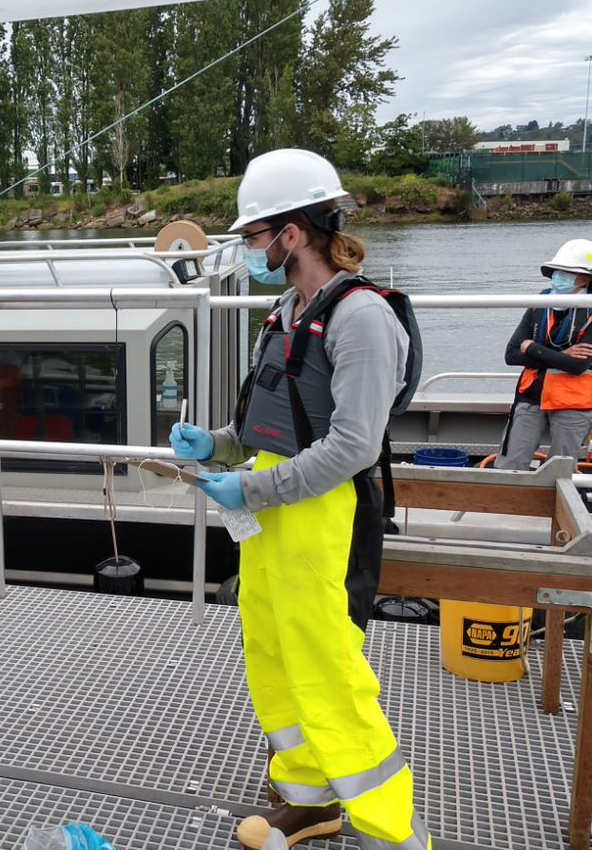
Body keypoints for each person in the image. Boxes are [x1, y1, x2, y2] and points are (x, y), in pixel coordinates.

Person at [170, 149, 428, 849]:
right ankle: (308, 799)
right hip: (275, 515)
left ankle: (392, 831)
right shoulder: (285, 310)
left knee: (330, 671)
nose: (248, 249)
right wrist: (215, 446)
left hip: (328, 516)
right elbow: (271, 423)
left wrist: (250, 484)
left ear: (292, 233)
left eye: (254, 235)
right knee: (274, 652)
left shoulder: (361, 317)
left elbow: (351, 446)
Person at [494, 239, 592, 471]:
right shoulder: (541, 302)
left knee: (561, 471)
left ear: (586, 278)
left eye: (566, 273)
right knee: (510, 464)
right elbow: (511, 354)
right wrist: (562, 355)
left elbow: (579, 365)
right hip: (531, 396)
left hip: (573, 402)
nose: (558, 277)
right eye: (557, 272)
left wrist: (533, 348)